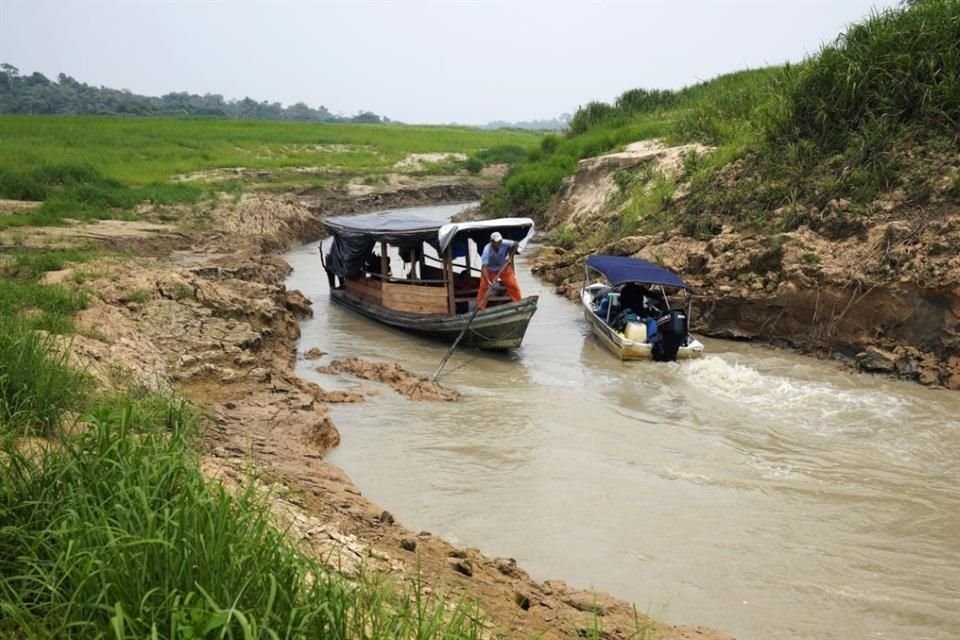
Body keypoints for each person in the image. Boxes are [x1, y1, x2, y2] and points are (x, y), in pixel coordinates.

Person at [476, 231, 522, 309]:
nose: (499, 244)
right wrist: (488, 281)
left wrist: (510, 256)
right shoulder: (487, 250)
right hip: (490, 269)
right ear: (492, 242)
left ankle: (518, 302)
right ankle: (480, 307)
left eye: (500, 241)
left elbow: (516, 244)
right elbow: (484, 268)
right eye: (497, 242)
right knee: (484, 288)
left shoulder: (504, 243)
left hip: (503, 267)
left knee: (513, 285)